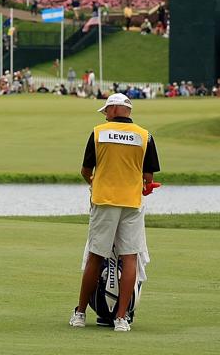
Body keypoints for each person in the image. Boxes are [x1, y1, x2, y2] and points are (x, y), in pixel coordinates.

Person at [69, 93, 160, 332]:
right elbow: (148, 178)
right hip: (131, 202)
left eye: (106, 110)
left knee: (96, 255)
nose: (105, 115)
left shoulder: (99, 133)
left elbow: (85, 170)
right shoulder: (145, 135)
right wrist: (142, 185)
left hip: (104, 200)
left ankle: (79, 313)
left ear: (115, 109)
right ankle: (121, 318)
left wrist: (94, 182)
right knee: (130, 257)